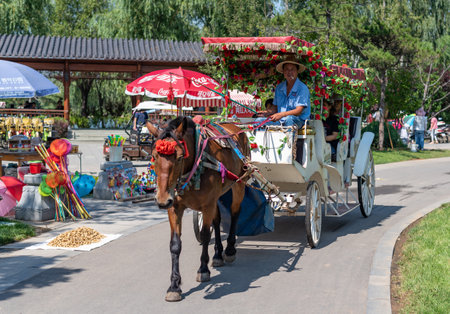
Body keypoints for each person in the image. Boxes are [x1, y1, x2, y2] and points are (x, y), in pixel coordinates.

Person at [257, 55, 310, 127]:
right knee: (259, 121)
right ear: (283, 72)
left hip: (299, 121)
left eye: (292, 69)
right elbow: (275, 108)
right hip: (281, 120)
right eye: (287, 69)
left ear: (297, 71)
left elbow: (298, 111)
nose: (289, 72)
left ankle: (289, 138)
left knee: (289, 119)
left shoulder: (302, 88)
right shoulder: (279, 87)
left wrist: (281, 114)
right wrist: (268, 113)